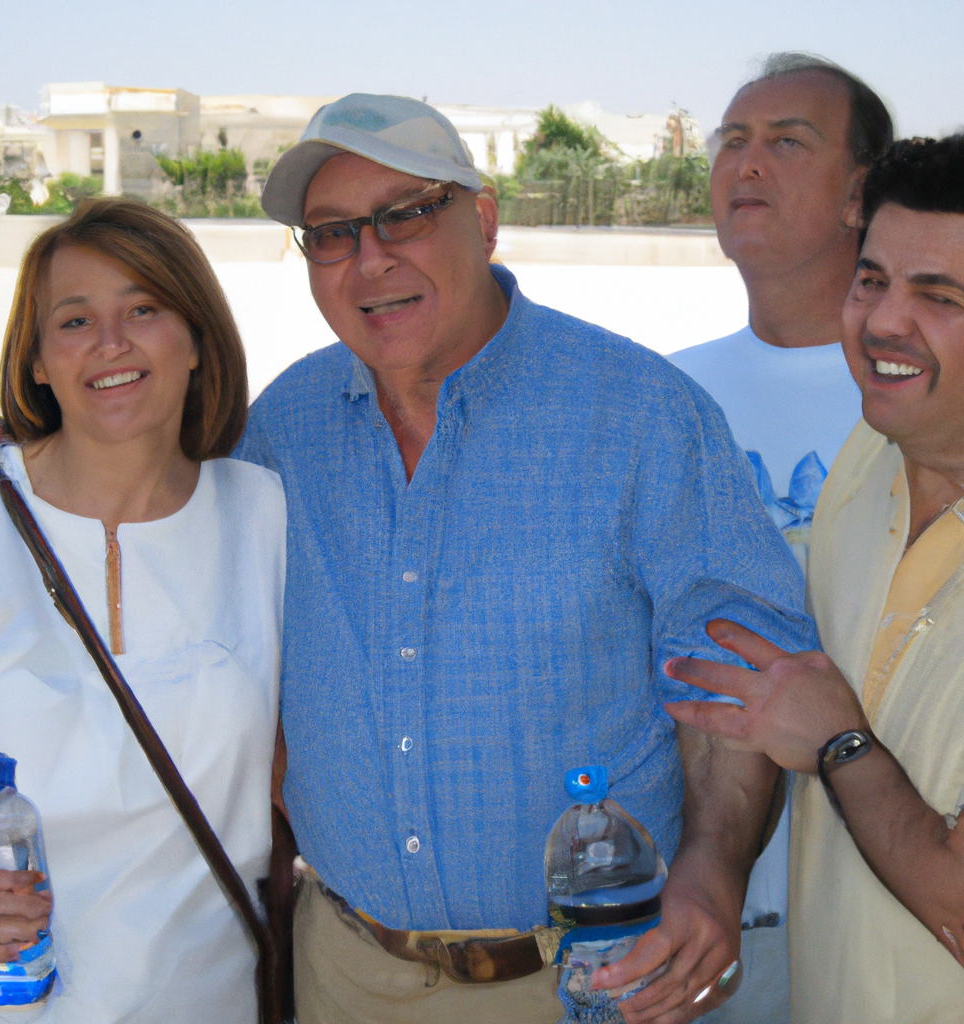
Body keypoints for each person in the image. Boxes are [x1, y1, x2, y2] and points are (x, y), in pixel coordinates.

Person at [238, 93, 817, 1024]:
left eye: (408, 213)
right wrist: (5, 465)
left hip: (590, 985)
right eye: (333, 233)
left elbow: (737, 680)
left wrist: (713, 869)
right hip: (344, 971)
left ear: (486, 219)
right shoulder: (283, 427)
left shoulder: (642, 415)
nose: (371, 256)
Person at [0, 199, 286, 1022]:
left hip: (208, 1000)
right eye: (74, 320)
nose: (111, 343)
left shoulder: (267, 515)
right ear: (34, 360)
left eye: (144, 308)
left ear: (197, 338)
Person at [665, 135, 964, 1024]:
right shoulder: (862, 464)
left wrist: (839, 742)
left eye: (939, 296)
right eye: (871, 280)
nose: (881, 322)